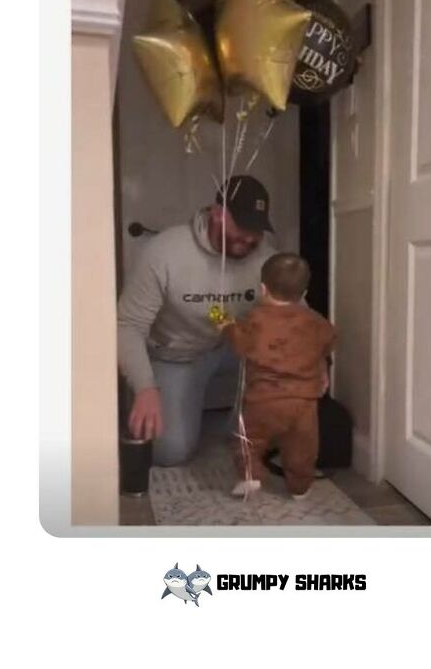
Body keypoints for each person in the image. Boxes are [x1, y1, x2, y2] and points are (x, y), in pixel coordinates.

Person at [117, 176, 275, 466]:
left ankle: (241, 429)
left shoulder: (264, 258)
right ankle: (164, 402)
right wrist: (145, 388)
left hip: (231, 346)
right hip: (177, 356)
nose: (249, 238)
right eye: (241, 226)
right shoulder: (165, 252)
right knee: (169, 451)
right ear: (217, 212)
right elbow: (127, 325)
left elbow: (294, 312)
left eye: (256, 230)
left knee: (276, 348)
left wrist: (315, 361)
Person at [222, 252, 336, 499]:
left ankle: (250, 475)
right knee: (302, 447)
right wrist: (321, 367)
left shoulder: (255, 320)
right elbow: (326, 344)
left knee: (248, 439)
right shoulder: (316, 322)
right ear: (304, 294)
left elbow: (238, 342)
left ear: (263, 289)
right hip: (303, 402)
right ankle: (300, 488)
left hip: (263, 399)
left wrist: (219, 319)